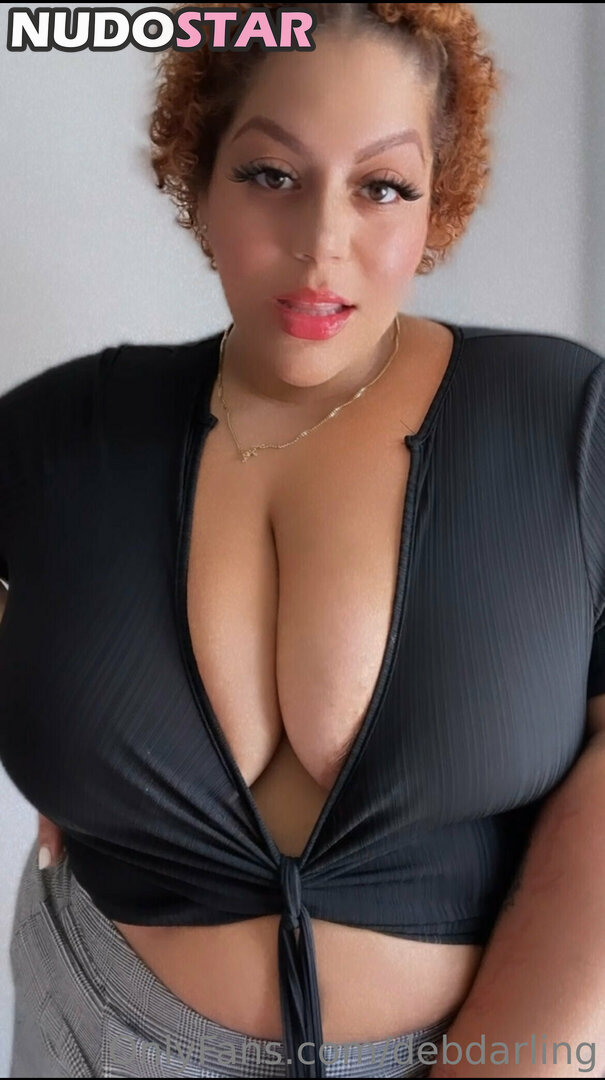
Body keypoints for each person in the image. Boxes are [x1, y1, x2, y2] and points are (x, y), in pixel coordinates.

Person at [3, 3, 605, 1078]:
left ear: (439, 197)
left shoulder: (563, 423)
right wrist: (56, 708)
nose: (322, 243)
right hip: (92, 1028)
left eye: (382, 186)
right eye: (271, 174)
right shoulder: (57, 431)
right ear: (200, 176)